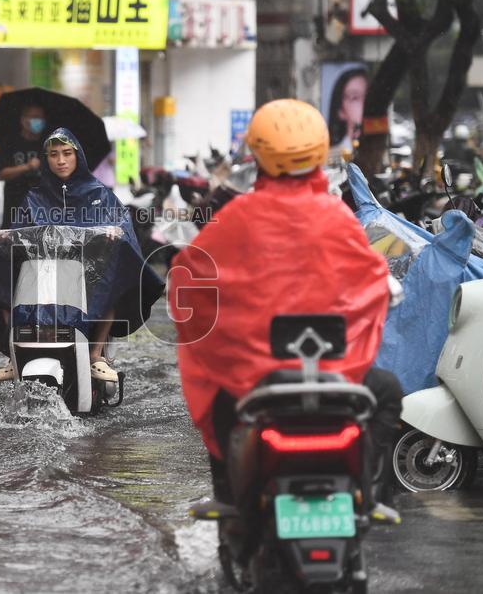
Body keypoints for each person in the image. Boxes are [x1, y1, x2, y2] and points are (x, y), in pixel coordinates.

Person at [169, 99, 403, 512]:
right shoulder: (339, 217)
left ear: (257, 154)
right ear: (319, 152)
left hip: (254, 380)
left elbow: (189, 283)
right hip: (334, 375)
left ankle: (228, 495)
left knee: (219, 402)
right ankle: (368, 493)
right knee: (386, 391)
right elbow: (370, 280)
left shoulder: (237, 216)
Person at [0, 128, 163, 382]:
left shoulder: (100, 194)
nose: (60, 160)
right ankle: (13, 353)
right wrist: (4, 236)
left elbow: (122, 226)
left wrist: (115, 233)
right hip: (44, 268)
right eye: (53, 154)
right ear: (46, 159)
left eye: (66, 153)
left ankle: (96, 355)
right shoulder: (35, 197)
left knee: (115, 277)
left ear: (77, 156)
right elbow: (21, 230)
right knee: (0, 277)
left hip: (89, 272)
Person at [0, 104, 47, 229]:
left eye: (41, 118)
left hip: (42, 207)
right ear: (24, 120)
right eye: (35, 117)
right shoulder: (10, 143)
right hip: (15, 204)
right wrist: (27, 167)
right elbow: (1, 174)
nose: (38, 121)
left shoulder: (48, 144)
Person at [327, 68, 367, 155]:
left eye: (367, 96)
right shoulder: (332, 155)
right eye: (355, 97)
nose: (364, 104)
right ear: (340, 109)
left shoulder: (376, 152)